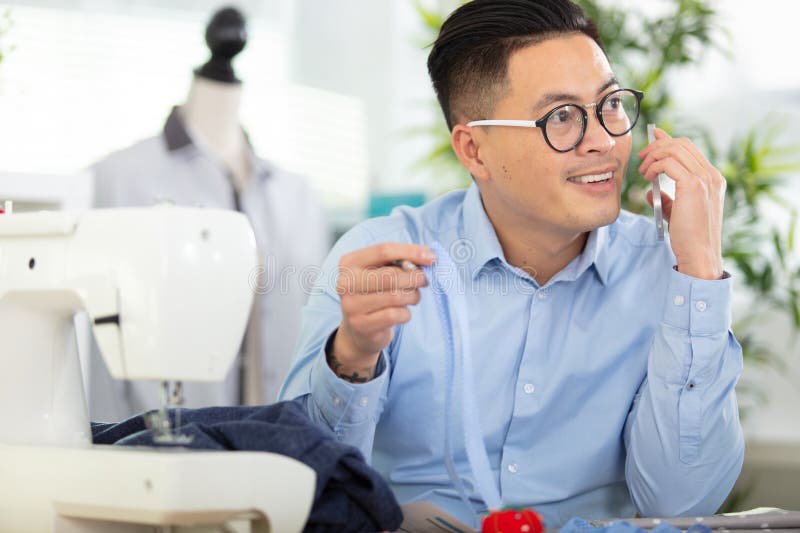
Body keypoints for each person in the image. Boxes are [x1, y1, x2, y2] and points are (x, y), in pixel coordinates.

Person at [280, 0, 744, 527]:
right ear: (474, 150)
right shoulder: (383, 262)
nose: (604, 141)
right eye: (562, 116)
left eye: (610, 103)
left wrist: (701, 270)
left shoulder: (668, 270)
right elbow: (304, 484)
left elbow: (681, 504)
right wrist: (353, 357)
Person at [89, 7, 329, 421]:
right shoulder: (118, 180)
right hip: (154, 441)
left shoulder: (298, 195)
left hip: (279, 441)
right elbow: (95, 346)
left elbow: (318, 334)